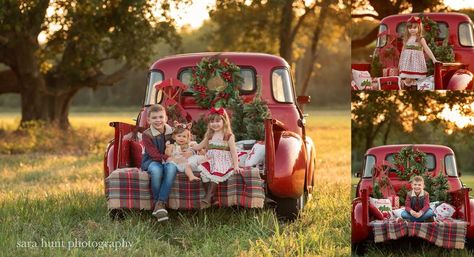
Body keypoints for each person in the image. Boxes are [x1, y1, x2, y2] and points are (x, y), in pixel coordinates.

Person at [192, 107, 242, 208]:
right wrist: (190, 145)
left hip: (224, 160)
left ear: (224, 121)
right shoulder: (210, 135)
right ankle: (213, 200)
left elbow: (233, 152)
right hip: (211, 160)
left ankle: (206, 200)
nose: (214, 124)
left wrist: (236, 165)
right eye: (212, 121)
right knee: (204, 174)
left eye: (218, 121)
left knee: (216, 172)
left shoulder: (228, 136)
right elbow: (199, 146)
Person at [141, 104, 178, 222]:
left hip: (168, 160)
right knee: (157, 170)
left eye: (161, 117)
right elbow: (153, 153)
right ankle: (160, 206)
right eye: (154, 118)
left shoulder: (171, 131)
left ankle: (159, 205)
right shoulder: (147, 134)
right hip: (151, 160)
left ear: (166, 118)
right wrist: (167, 158)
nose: (158, 120)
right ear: (148, 120)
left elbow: (178, 144)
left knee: (172, 168)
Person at [398, 16, 439, 89]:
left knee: (411, 78)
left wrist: (433, 59)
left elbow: (426, 49)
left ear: (419, 28)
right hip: (407, 63)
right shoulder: (407, 39)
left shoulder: (420, 39)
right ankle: (408, 86)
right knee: (408, 78)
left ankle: (410, 86)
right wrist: (400, 62)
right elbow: (403, 51)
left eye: (414, 28)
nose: (412, 30)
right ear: (407, 29)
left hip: (416, 62)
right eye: (410, 28)